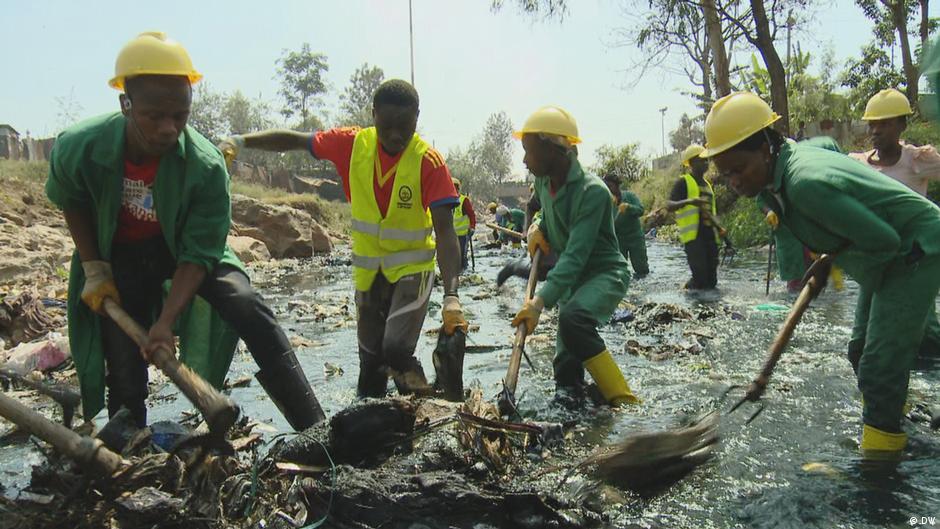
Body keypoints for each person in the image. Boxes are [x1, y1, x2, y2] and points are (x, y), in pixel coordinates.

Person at [45, 32, 324, 430]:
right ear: (125, 104)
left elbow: (199, 253)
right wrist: (94, 267)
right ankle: (131, 443)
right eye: (154, 115)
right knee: (123, 356)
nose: (168, 128)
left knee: (246, 303)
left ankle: (314, 426)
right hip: (118, 253)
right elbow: (70, 198)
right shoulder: (80, 146)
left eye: (180, 115)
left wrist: (166, 322)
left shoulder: (206, 165)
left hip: (183, 251)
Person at [701, 91, 940, 459]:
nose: (732, 181)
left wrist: (832, 254)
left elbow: (884, 241)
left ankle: (880, 471)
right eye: (725, 173)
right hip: (888, 254)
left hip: (914, 251)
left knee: (878, 368)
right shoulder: (787, 162)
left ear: (765, 149)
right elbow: (828, 145)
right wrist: (832, 252)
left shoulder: (804, 184)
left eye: (738, 169)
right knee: (861, 351)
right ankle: (892, 415)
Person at [219, 79, 468, 398]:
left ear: (417, 119)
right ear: (373, 114)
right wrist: (241, 141)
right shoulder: (352, 145)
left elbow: (446, 233)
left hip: (412, 272)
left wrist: (451, 296)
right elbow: (296, 140)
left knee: (394, 349)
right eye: (387, 125)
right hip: (368, 274)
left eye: (404, 127)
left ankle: (429, 404)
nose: (395, 135)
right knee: (370, 364)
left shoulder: (428, 162)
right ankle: (380, 429)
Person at [510, 106, 639, 408]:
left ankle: (625, 402)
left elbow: (576, 257)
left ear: (555, 149)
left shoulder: (593, 192)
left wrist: (539, 302)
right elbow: (545, 211)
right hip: (572, 282)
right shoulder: (543, 182)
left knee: (573, 319)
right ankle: (571, 406)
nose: (525, 160)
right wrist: (537, 229)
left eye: (529, 151)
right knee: (565, 363)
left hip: (603, 275)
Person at [848, 88, 940, 357]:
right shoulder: (858, 165)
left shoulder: (917, 161)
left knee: (926, 333)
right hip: (875, 259)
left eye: (885, 124)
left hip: (914, 259)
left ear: (902, 125)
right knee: (861, 338)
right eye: (873, 124)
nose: (876, 130)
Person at [666, 144, 723, 290]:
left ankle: (710, 309)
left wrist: (721, 231)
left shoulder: (708, 186)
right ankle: (688, 295)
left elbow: (710, 212)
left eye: (706, 160)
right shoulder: (684, 182)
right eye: (701, 160)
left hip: (711, 236)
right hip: (694, 238)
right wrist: (690, 201)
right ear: (691, 163)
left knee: (712, 281)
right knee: (700, 278)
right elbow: (669, 205)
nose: (706, 163)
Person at [602, 173, 649, 278]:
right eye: (606, 187)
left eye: (610, 186)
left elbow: (641, 210)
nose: (608, 189)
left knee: (641, 269)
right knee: (619, 271)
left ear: (617, 185)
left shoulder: (629, 196)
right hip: (618, 240)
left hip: (635, 238)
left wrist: (629, 208)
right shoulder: (606, 201)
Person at [451, 177, 476, 272]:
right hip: (452, 235)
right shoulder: (446, 201)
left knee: (462, 255)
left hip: (463, 234)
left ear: (457, 189)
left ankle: (464, 271)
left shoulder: (463, 200)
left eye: (454, 188)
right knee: (453, 256)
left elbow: (471, 215)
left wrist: (472, 227)